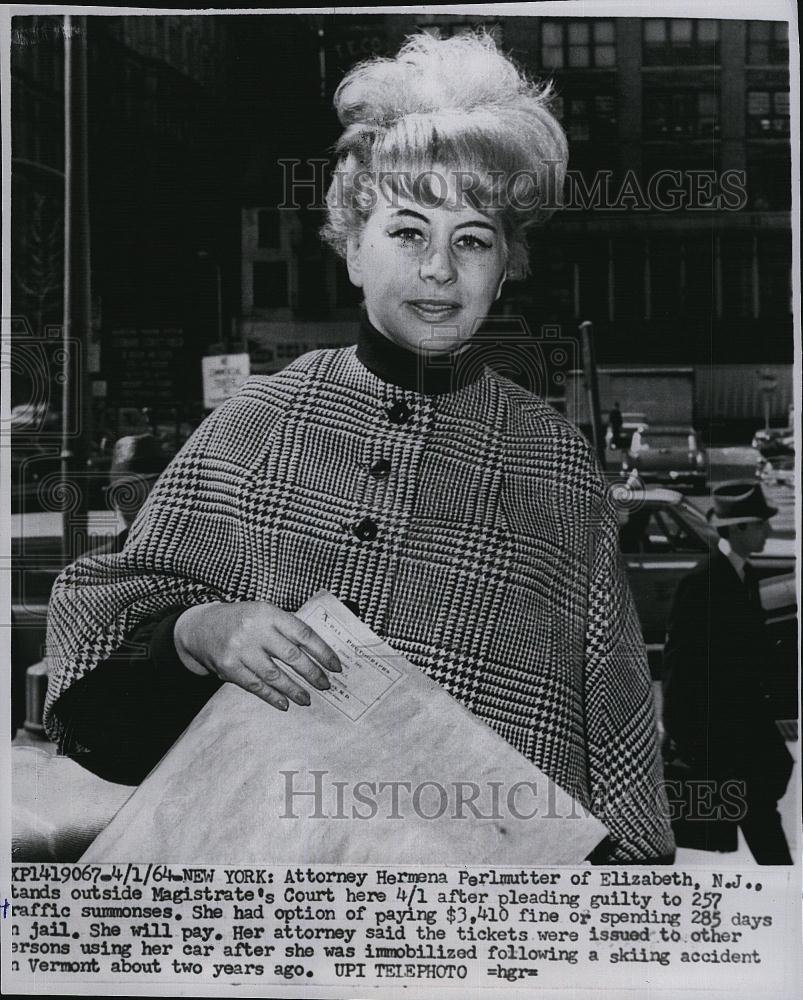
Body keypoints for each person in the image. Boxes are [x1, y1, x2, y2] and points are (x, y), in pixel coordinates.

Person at [44, 31, 673, 863]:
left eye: (473, 238)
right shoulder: (258, 423)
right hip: (262, 924)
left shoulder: (555, 465)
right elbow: (103, 725)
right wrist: (198, 632)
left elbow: (612, 778)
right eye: (408, 231)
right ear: (350, 243)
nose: (440, 269)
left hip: (476, 947)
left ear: (508, 262)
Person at [662, 481, 793, 864]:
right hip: (723, 742)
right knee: (762, 829)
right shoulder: (701, 583)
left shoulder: (742, 576)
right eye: (759, 524)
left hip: (744, 739)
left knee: (763, 825)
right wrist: (686, 740)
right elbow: (679, 669)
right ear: (736, 529)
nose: (769, 531)